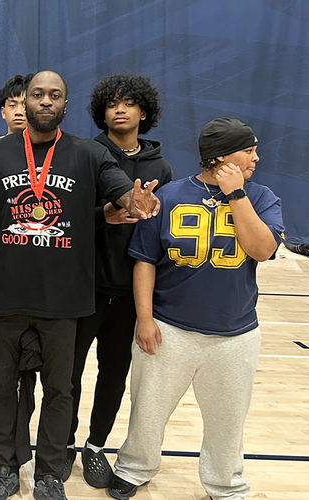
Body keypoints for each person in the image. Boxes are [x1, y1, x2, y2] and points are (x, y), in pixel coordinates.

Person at [0, 70, 159, 500]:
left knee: (60, 389)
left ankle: (50, 474)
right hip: (9, 297)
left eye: (55, 95)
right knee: (2, 387)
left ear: (66, 105)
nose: (46, 101)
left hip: (65, 300)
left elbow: (121, 191)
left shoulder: (88, 154)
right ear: (23, 101)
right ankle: (4, 468)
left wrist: (134, 200)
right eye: (37, 94)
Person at [109, 118, 283, 500]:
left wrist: (236, 195)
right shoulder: (169, 196)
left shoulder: (261, 197)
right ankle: (134, 467)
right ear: (221, 156)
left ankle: (225, 484)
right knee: (148, 410)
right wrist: (144, 319)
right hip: (169, 327)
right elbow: (144, 261)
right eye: (248, 149)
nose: (257, 156)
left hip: (235, 334)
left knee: (227, 420)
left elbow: (263, 250)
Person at [66, 73, 172, 489]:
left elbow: (159, 230)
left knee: (114, 374)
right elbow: (66, 217)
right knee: (68, 374)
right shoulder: (85, 153)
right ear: (102, 112)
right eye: (112, 103)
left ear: (144, 111)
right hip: (85, 285)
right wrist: (101, 216)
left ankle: (95, 447)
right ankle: (62, 444)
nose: (120, 109)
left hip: (129, 293)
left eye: (129, 103)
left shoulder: (159, 166)